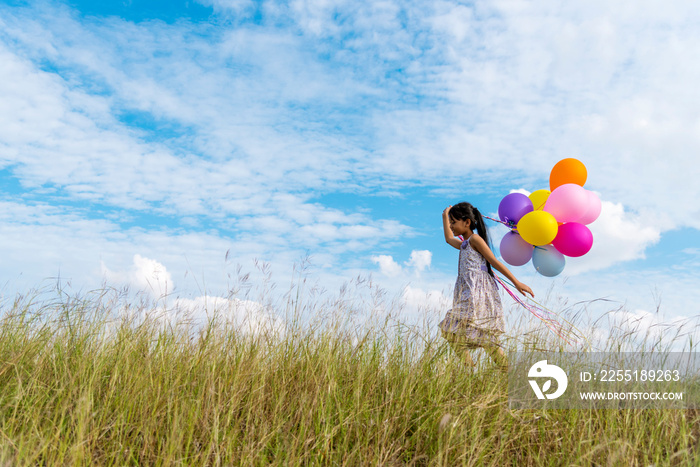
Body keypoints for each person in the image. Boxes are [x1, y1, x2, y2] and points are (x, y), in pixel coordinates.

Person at [440, 202, 534, 371]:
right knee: (458, 332)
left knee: (456, 330)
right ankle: (472, 371)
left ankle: (501, 373)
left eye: (453, 222)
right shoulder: (464, 244)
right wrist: (444, 216)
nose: (451, 226)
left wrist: (516, 282)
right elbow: (448, 239)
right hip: (468, 293)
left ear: (467, 222)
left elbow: (494, 262)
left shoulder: (475, 239)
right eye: (450, 223)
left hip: (478, 295)